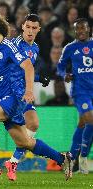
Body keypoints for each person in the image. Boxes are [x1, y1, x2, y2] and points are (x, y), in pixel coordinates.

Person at [0, 11, 73, 181]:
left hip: (13, 96)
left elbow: (29, 68)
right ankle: (62, 158)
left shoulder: (10, 47)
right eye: (28, 27)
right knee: (25, 142)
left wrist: (29, 91)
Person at [57, 18, 93, 175]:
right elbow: (60, 66)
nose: (80, 31)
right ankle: (84, 159)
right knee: (90, 120)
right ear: (74, 31)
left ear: (89, 29)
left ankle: (71, 158)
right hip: (80, 91)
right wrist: (65, 74)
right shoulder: (70, 48)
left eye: (83, 28)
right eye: (77, 29)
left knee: (82, 124)